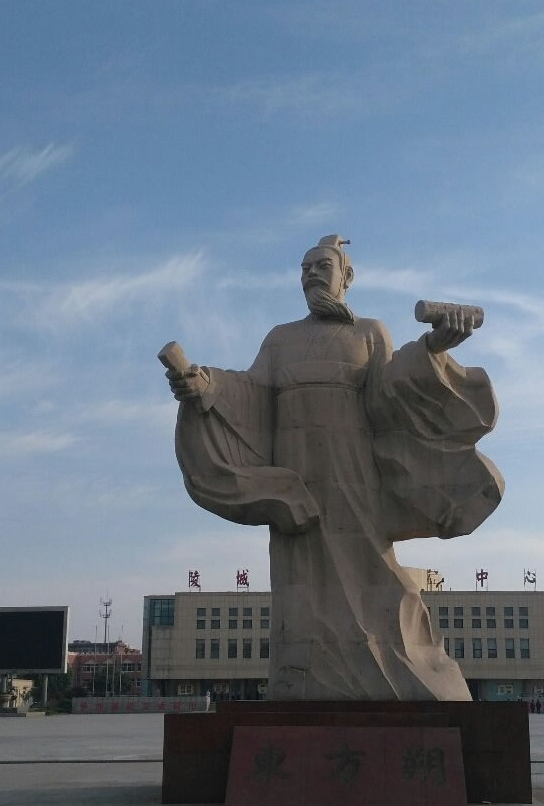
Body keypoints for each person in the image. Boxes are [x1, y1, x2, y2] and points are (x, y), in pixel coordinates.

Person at [165, 235, 504, 700]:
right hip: (297, 478)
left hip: (355, 476)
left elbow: (389, 394)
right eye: (304, 268)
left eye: (321, 265)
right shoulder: (280, 339)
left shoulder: (369, 333)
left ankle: (401, 666)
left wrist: (432, 347)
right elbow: (251, 393)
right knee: (300, 588)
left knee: (374, 574)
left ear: (347, 276)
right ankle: (301, 677)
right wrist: (205, 386)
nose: (310, 273)